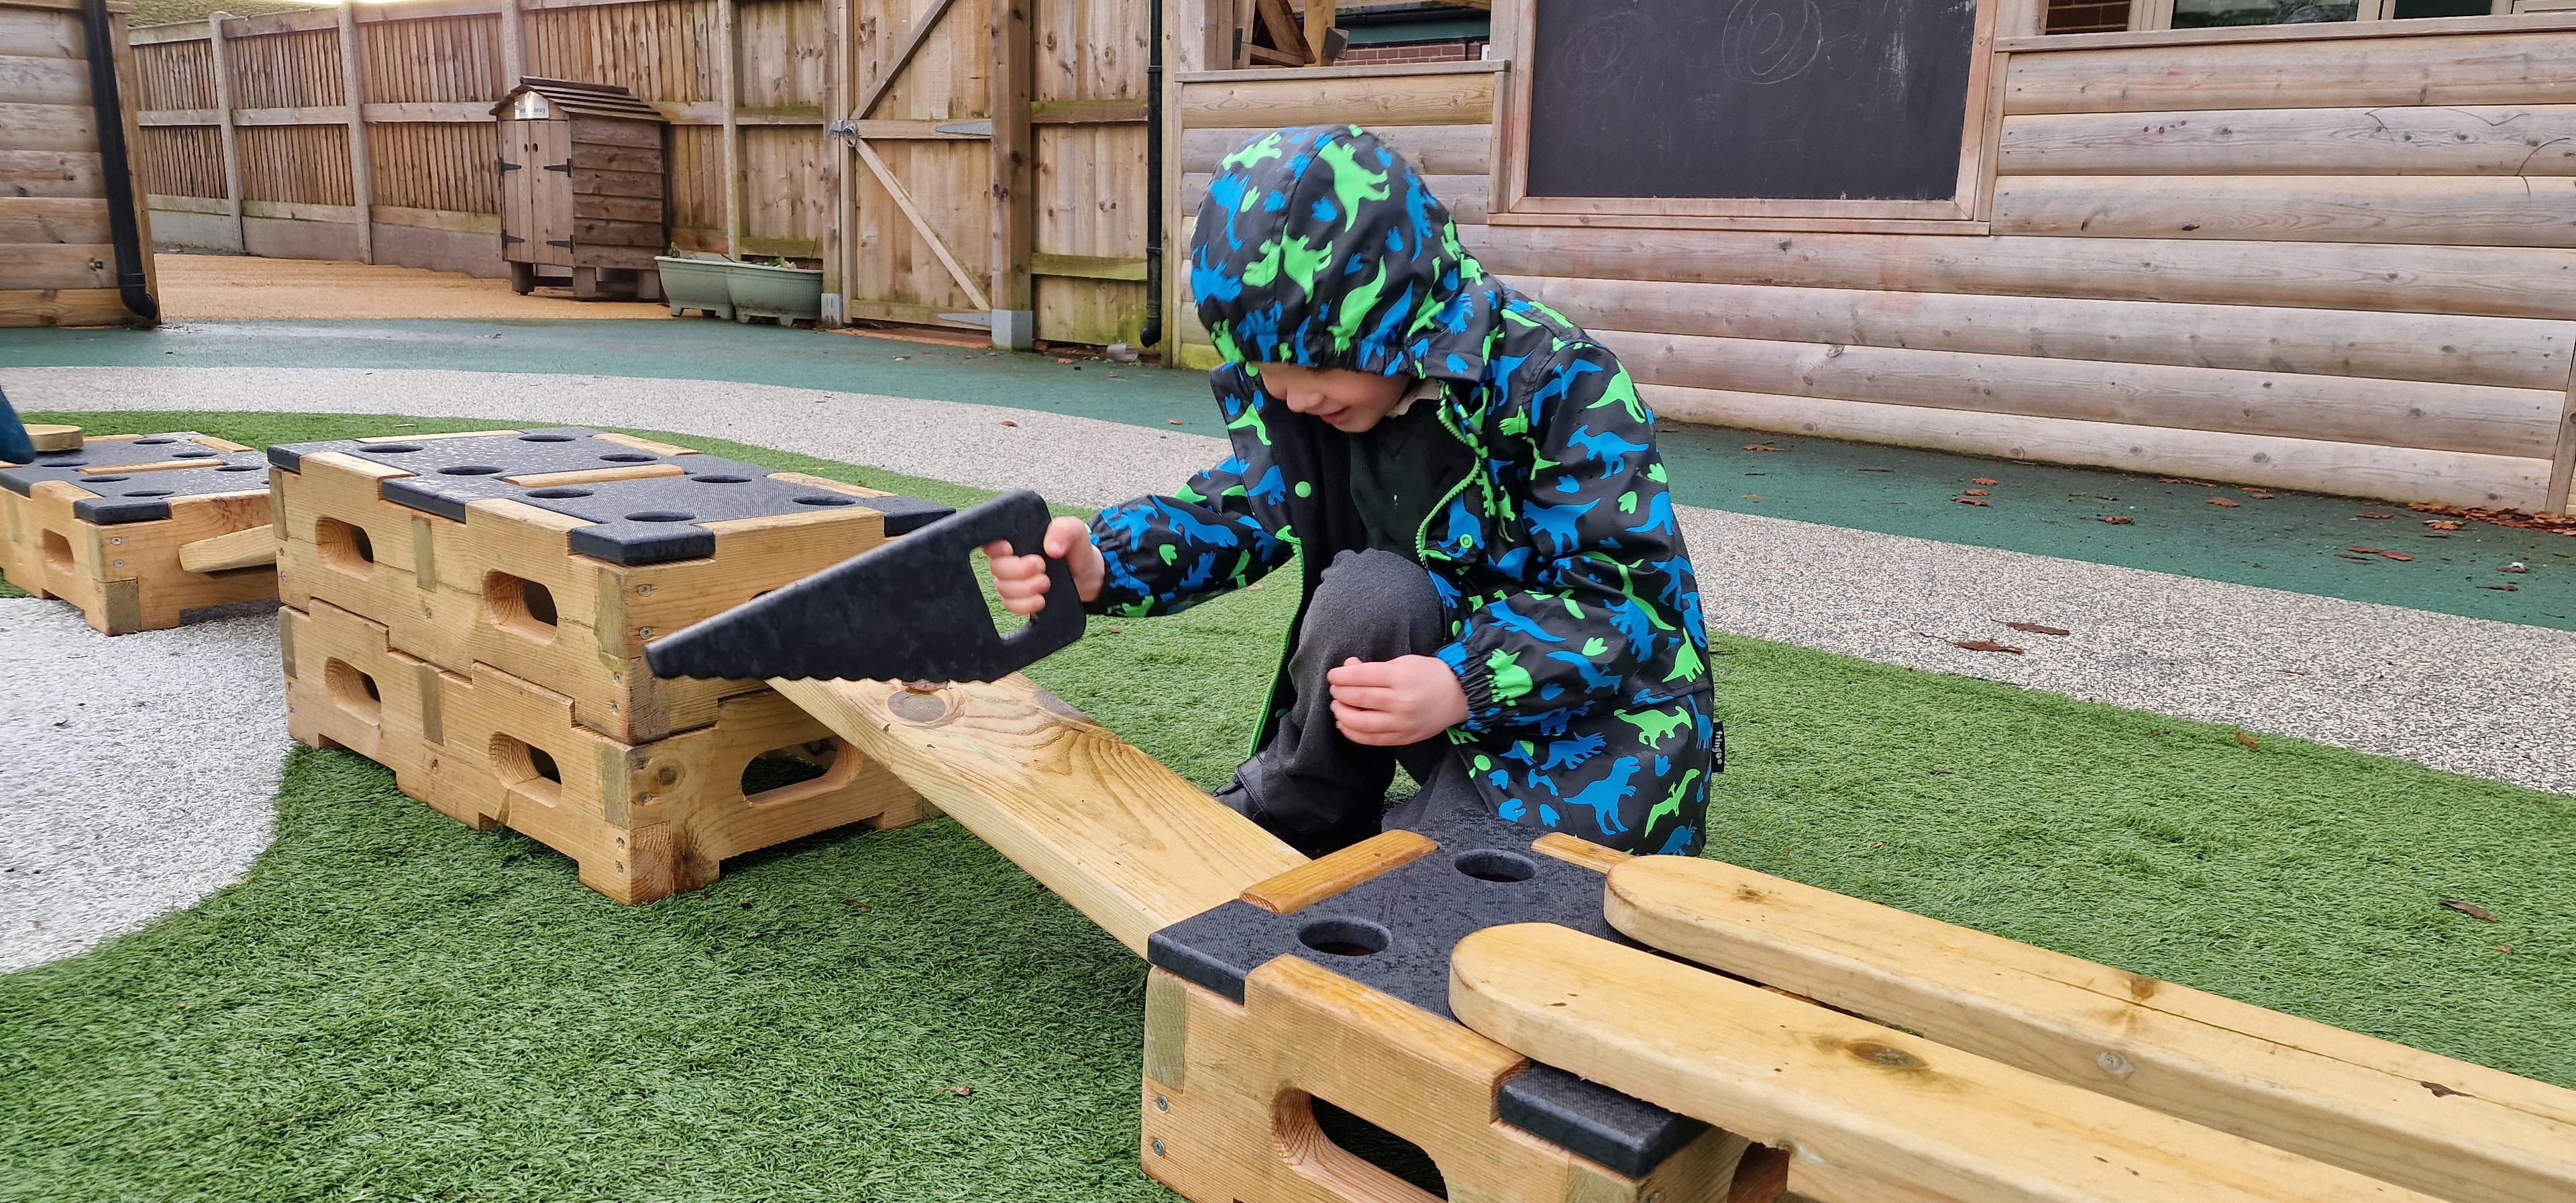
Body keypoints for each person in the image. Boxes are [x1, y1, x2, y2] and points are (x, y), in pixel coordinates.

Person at [986, 125, 1713, 857]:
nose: (1293, 395)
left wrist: (1466, 681)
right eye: (1263, 365)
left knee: (1447, 895)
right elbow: (1237, 507)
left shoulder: (1561, 382)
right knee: (1370, 592)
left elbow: (1625, 600)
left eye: (1318, 363)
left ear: (1403, 319)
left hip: (1597, 734)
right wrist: (1106, 564)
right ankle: (1307, 805)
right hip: (1431, 704)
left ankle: (1447, 830)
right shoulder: (1329, 399)